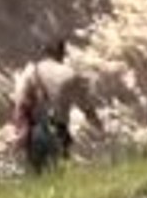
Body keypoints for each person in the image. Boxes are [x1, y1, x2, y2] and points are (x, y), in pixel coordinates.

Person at [12, 36, 103, 174]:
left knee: (36, 175)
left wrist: (21, 132)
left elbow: (20, 103)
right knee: (57, 174)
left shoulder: (31, 71)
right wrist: (97, 124)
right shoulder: (69, 75)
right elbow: (86, 106)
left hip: (36, 131)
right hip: (59, 131)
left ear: (44, 51)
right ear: (61, 53)